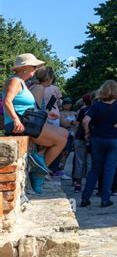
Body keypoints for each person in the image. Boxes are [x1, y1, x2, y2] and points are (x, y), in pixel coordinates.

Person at [2, 55, 68, 193]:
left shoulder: (22, 83)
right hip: (21, 124)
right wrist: (15, 120)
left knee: (65, 134)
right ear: (25, 68)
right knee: (61, 139)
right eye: (34, 67)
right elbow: (7, 101)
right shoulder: (14, 81)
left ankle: (39, 164)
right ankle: (39, 172)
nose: (36, 70)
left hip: (27, 122)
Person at [80, 80, 117, 208]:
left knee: (95, 168)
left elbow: (85, 120)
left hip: (98, 138)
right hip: (116, 138)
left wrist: (87, 133)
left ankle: (85, 197)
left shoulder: (96, 105)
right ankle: (105, 199)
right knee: (110, 169)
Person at [73, 93, 93, 193]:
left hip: (80, 137)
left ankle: (78, 184)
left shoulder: (83, 110)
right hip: (92, 138)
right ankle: (90, 184)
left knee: (79, 161)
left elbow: (77, 124)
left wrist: (75, 136)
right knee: (90, 162)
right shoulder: (96, 110)